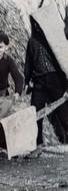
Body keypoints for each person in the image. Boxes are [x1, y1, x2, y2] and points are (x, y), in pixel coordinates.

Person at [24, 17, 68, 145]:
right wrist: (27, 81)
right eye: (36, 24)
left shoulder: (54, 40)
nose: (38, 26)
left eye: (40, 23)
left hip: (56, 80)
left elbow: (64, 60)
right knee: (36, 113)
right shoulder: (32, 41)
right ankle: (37, 144)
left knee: (64, 113)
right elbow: (28, 63)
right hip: (39, 81)